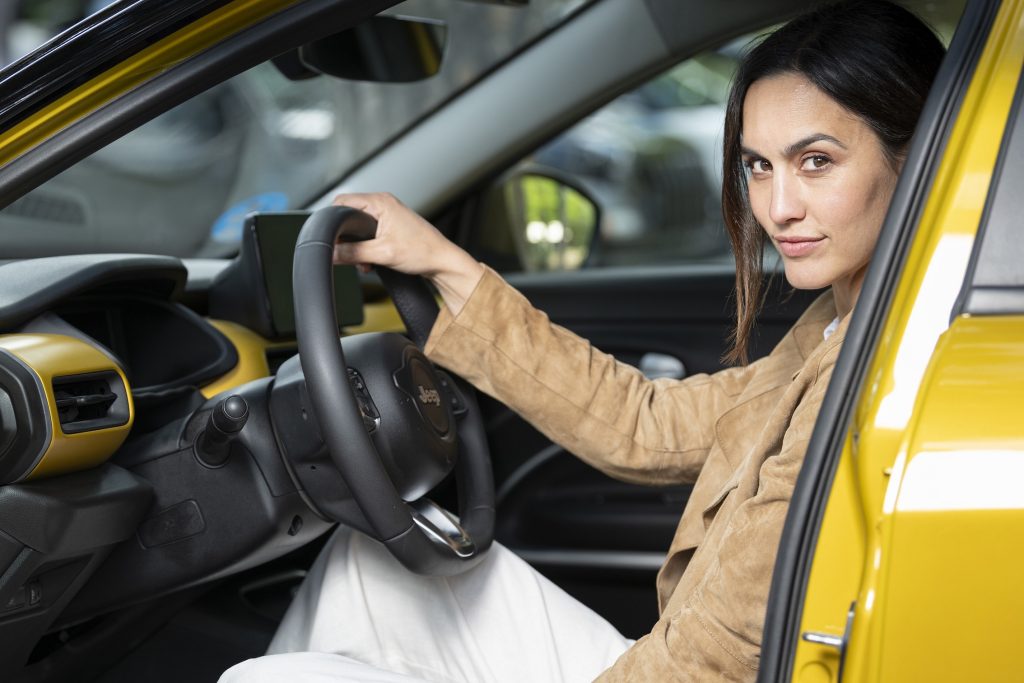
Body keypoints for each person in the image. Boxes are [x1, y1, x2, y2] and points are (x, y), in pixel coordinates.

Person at [221, 1, 945, 681]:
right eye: (759, 165)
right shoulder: (845, 321)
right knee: (364, 566)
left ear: (912, 158)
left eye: (816, 161)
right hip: (666, 657)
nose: (778, 208)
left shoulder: (878, 374)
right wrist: (445, 262)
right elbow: (649, 424)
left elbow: (711, 659)